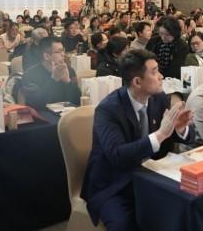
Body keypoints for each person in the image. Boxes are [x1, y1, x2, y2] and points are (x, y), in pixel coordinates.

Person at [81, 49, 194, 230]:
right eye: (154, 72)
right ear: (137, 81)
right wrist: (161, 134)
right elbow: (117, 155)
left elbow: (176, 135)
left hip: (151, 177)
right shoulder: (108, 109)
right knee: (124, 224)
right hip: (115, 183)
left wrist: (179, 128)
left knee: (183, 208)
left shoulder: (158, 98)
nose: (161, 76)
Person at [20, 37, 80, 110]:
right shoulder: (30, 75)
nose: (63, 54)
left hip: (66, 113)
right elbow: (36, 104)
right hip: (42, 114)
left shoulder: (68, 70)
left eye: (63, 50)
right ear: (46, 56)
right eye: (59, 52)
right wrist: (53, 79)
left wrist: (68, 81)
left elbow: (78, 101)